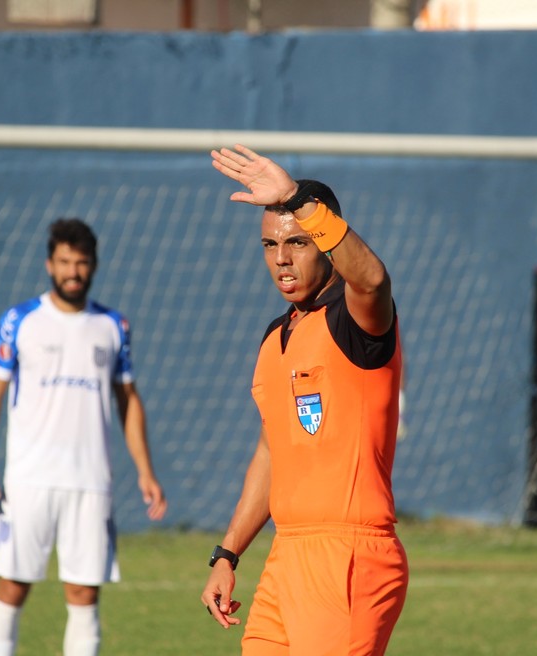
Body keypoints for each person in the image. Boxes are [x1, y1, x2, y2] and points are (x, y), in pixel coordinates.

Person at [200, 145, 408, 655]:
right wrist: (228, 553)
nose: (282, 259)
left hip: (349, 552)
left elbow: (374, 279)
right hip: (286, 555)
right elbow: (273, 451)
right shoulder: (276, 337)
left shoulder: (357, 319)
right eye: (270, 245)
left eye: (297, 242)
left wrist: (296, 197)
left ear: (325, 242)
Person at [0, 218, 167, 656]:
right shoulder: (20, 320)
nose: (72, 272)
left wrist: (145, 470)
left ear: (93, 266)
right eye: (64, 262)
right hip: (28, 479)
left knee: (84, 597)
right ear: (49, 264)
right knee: (12, 586)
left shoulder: (114, 326)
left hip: (90, 482)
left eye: (81, 263)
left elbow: (128, 401)